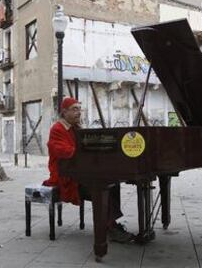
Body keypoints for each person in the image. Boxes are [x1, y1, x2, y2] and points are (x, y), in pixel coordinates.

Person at [43, 97, 134, 243]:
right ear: (64, 112)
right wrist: (88, 151)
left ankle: (111, 224)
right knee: (102, 188)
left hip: (80, 172)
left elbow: (87, 146)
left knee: (113, 183)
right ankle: (110, 227)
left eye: (79, 109)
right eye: (75, 109)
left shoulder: (76, 127)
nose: (79, 112)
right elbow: (65, 152)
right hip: (66, 176)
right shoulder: (57, 129)